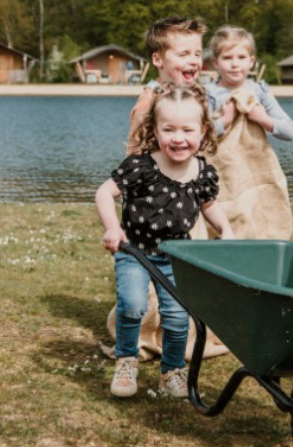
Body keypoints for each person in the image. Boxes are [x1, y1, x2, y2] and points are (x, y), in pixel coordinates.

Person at [96, 82, 234, 399]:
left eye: (187, 129)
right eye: (168, 129)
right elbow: (104, 192)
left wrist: (225, 229)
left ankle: (172, 371)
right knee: (132, 305)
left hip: (176, 255)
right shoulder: (141, 166)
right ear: (155, 130)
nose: (178, 138)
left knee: (175, 316)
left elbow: (209, 206)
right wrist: (112, 228)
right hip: (135, 250)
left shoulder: (202, 173)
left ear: (203, 131)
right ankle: (126, 361)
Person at [203, 26, 293, 240]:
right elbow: (198, 137)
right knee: (227, 211)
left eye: (241, 57)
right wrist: (224, 121)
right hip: (222, 168)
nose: (235, 64)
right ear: (216, 63)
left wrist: (263, 119)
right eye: (227, 58)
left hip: (254, 164)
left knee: (263, 211)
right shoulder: (208, 94)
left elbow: (290, 131)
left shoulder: (259, 92)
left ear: (251, 61)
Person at [127, 15, 207, 153]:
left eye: (197, 54)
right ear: (158, 60)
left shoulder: (196, 95)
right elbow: (134, 152)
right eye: (183, 55)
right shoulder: (148, 102)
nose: (194, 61)